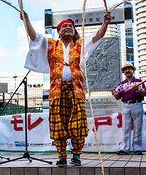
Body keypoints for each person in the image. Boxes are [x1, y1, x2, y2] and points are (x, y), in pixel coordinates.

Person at [23, 11, 112, 166]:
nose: (68, 28)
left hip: (76, 91)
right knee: (58, 125)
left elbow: (98, 36)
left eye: (71, 26)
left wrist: (105, 23)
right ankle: (62, 156)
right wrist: (27, 19)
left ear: (74, 31)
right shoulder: (51, 44)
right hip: (57, 91)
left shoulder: (80, 44)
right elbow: (34, 37)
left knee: (78, 124)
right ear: (58, 31)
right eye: (64, 26)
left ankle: (76, 155)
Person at [111, 62, 146, 155]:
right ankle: (125, 148)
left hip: (137, 104)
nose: (127, 71)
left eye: (129, 69)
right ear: (123, 72)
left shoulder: (139, 82)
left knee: (137, 127)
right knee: (126, 128)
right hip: (126, 105)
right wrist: (115, 94)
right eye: (125, 69)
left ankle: (137, 148)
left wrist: (138, 90)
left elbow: (145, 94)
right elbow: (118, 97)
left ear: (133, 70)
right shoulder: (121, 84)